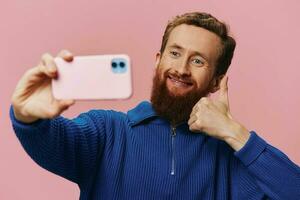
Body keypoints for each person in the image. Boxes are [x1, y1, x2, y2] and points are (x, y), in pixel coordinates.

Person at [10, 12, 300, 200]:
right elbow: (53, 140)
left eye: (198, 60)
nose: (182, 69)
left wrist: (235, 133)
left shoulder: (229, 159)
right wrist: (27, 116)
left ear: (216, 81)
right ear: (158, 60)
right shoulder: (107, 131)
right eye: (175, 53)